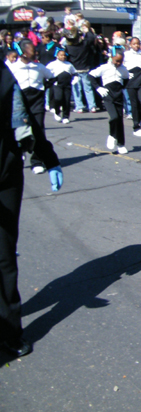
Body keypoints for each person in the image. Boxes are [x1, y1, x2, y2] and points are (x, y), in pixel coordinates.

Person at [1, 62, 63, 360]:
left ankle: (10, 333)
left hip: (6, 172)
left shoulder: (3, 74)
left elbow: (24, 117)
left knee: (4, 255)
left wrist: (48, 157)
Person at [8, 40, 53, 174]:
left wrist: (45, 88)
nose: (35, 52)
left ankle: (37, 161)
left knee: (38, 129)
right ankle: (20, 150)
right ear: (22, 53)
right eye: (31, 50)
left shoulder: (39, 67)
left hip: (37, 100)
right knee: (19, 129)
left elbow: (51, 77)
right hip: (20, 101)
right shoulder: (12, 68)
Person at [90, 46, 130, 154]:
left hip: (118, 96)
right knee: (114, 117)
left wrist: (122, 88)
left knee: (120, 120)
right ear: (111, 57)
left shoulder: (123, 69)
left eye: (121, 61)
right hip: (108, 95)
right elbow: (91, 76)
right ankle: (112, 135)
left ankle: (121, 144)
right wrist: (98, 88)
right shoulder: (104, 67)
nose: (118, 63)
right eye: (116, 61)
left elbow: (126, 79)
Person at [124, 37, 141, 137]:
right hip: (131, 78)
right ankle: (136, 126)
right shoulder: (126, 54)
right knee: (134, 103)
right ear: (130, 44)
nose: (136, 46)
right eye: (134, 44)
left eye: (138, 44)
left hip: (140, 77)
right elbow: (122, 65)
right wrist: (125, 74)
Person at [46, 48, 77, 124]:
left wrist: (74, 81)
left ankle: (65, 117)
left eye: (64, 55)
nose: (63, 56)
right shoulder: (52, 64)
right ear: (57, 56)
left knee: (66, 101)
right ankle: (57, 112)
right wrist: (50, 80)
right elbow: (46, 72)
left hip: (67, 85)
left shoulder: (69, 64)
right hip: (57, 84)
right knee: (58, 98)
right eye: (61, 55)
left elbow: (75, 73)